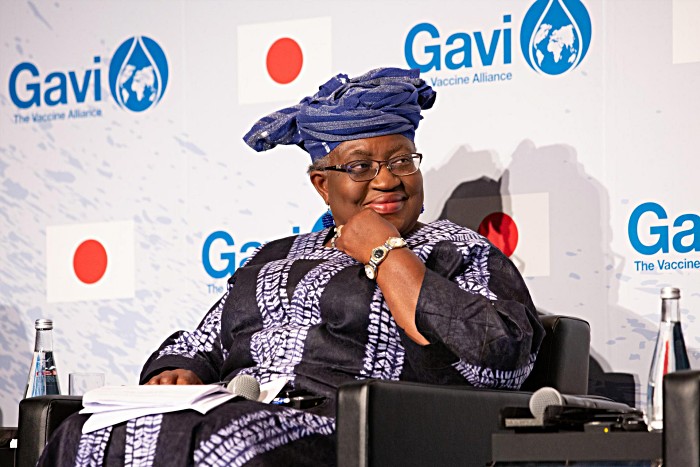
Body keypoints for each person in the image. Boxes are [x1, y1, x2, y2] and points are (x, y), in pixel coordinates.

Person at [39, 67, 543, 466]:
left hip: (356, 429)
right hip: (236, 409)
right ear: (322, 185)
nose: (387, 180)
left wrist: (387, 253)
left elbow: (505, 353)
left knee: (223, 443)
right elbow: (198, 343)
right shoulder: (275, 256)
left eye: (402, 161)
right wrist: (178, 372)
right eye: (360, 166)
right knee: (81, 434)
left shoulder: (455, 248)